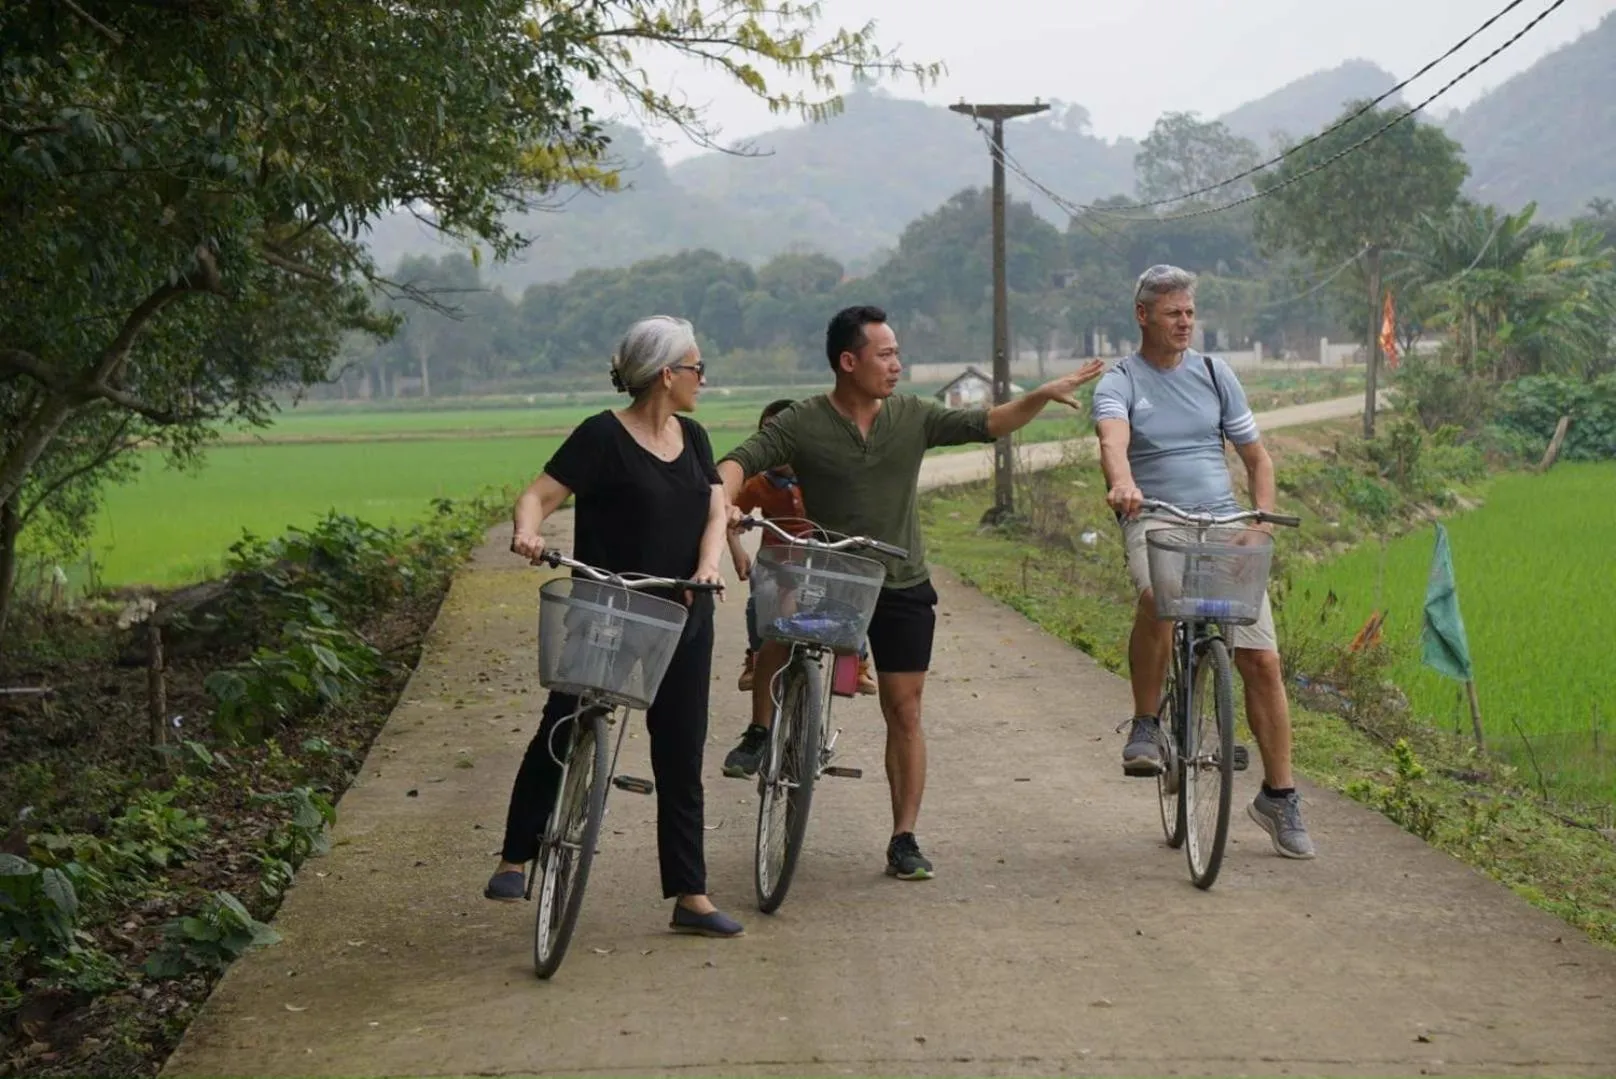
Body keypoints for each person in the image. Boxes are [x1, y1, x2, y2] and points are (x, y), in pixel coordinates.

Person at [717, 304, 1105, 880]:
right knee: (777, 621)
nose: (897, 364)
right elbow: (740, 460)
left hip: (900, 580)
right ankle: (763, 728)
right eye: (885, 354)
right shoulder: (803, 422)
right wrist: (722, 500)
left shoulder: (913, 416)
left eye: (898, 353)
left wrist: (1041, 396)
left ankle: (903, 837)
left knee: (904, 708)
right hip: (832, 576)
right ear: (848, 362)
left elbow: (989, 423)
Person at [490, 315, 745, 938]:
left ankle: (691, 895)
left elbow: (715, 507)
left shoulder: (695, 436)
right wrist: (528, 531)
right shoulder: (601, 436)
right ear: (667, 374)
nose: (703, 380)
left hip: (685, 609)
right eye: (696, 368)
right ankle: (515, 857)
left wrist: (709, 564)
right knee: (565, 721)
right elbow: (538, 496)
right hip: (608, 609)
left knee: (680, 750)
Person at [1091, 264, 1315, 860]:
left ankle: (1279, 795)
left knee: (1262, 659)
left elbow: (1257, 458)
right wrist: (1123, 485)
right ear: (1143, 317)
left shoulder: (1216, 374)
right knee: (1156, 598)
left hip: (1223, 520)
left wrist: (1260, 519)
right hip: (1156, 514)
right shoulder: (1120, 382)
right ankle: (1145, 724)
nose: (1184, 322)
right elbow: (1114, 443)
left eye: (1189, 312)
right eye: (1173, 313)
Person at [727, 398, 877, 699]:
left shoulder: (822, 474)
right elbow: (730, 515)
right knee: (761, 596)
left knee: (850, 597)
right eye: (768, 437)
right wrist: (737, 550)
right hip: (778, 562)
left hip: (822, 556)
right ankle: (755, 659)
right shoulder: (758, 483)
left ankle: (855, 666)